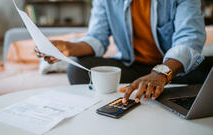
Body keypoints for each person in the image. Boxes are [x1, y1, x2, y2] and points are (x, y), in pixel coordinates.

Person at [35, 0, 212, 104]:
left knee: (209, 70)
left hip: (173, 69)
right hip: (133, 67)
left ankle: (157, 90)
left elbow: (189, 37)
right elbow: (97, 37)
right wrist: (70, 47)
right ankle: (147, 94)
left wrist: (162, 72)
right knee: (79, 69)